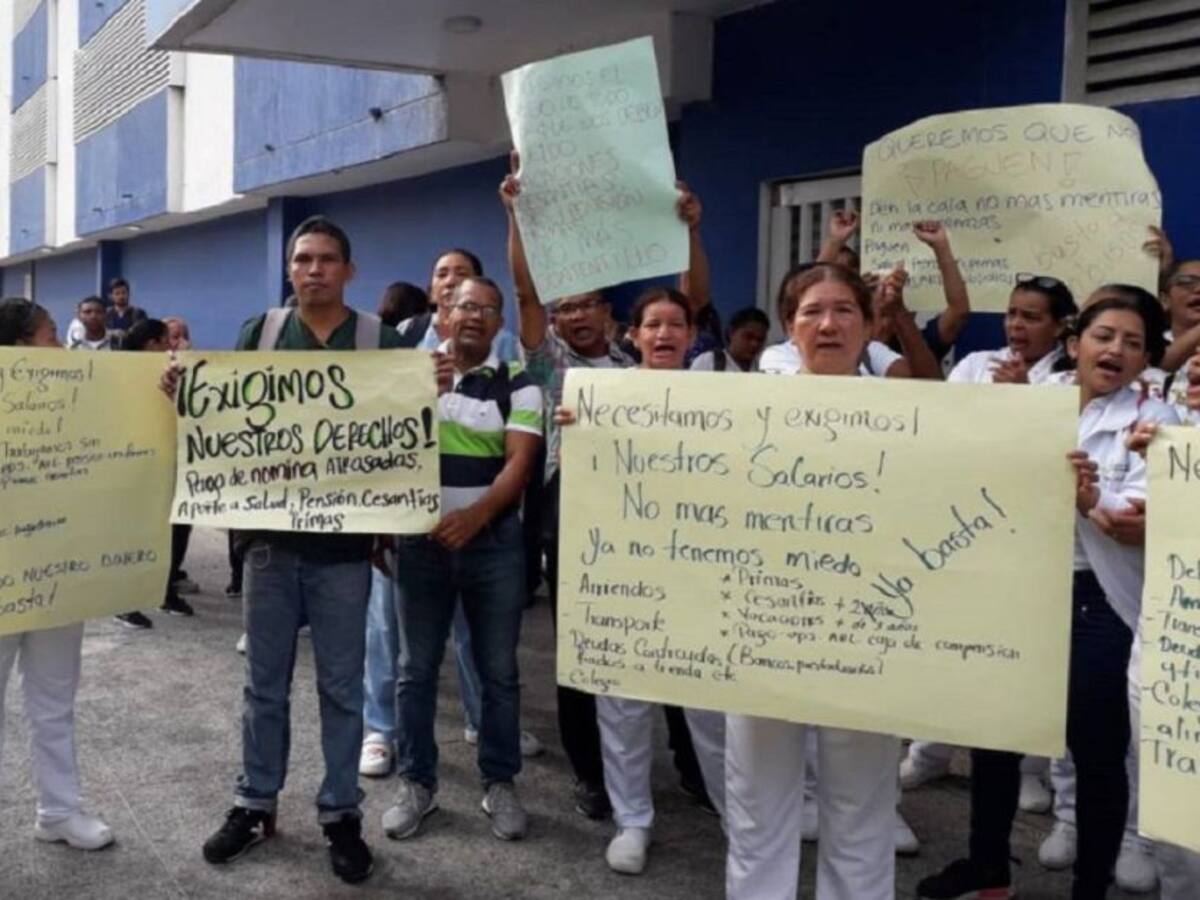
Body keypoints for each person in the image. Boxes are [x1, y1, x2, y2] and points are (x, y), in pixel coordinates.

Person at [166, 215, 405, 885]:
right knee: (263, 685)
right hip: (270, 546)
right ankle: (254, 802)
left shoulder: (378, 340)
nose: (313, 269)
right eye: (303, 259)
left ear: (349, 270)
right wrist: (187, 395)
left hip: (345, 551)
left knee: (342, 690)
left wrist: (429, 390)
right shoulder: (262, 333)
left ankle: (341, 814)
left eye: (327, 259)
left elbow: (402, 434)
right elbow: (228, 417)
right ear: (289, 268)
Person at [918, 286, 1175, 900]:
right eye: (1104, 336)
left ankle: (1090, 887)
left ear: (1146, 360)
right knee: (996, 735)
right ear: (1074, 343)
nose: (1116, 350)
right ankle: (988, 867)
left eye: (1133, 343)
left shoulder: (1156, 422)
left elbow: (1141, 518)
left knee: (1096, 749)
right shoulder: (1034, 399)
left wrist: (1093, 500)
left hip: (1097, 601)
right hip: (1018, 588)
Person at [501, 158, 718, 822]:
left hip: (657, 520)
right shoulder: (550, 363)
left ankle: (693, 767)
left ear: (609, 312)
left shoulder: (638, 359)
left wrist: (690, 229)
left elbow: (694, 302)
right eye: (564, 307)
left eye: (586, 303)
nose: (574, 314)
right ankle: (592, 774)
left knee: (675, 640)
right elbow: (525, 293)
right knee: (585, 650)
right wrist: (517, 215)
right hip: (576, 521)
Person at [723, 265, 901, 900]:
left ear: (871, 325)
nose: (828, 325)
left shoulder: (913, 417)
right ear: (789, 327)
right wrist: (597, 431)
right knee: (757, 808)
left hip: (869, 639)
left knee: (861, 811)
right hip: (762, 630)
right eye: (811, 312)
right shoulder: (741, 413)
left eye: (844, 310)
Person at [554, 289, 729, 875]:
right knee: (622, 705)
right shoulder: (604, 395)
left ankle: (737, 814)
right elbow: (576, 475)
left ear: (691, 335)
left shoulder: (723, 401)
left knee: (709, 706)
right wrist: (574, 433)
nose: (664, 334)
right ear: (633, 334)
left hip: (699, 571)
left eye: (676, 324)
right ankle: (634, 820)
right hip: (621, 571)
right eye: (652, 324)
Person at [383, 276, 542, 843]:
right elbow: (382, 446)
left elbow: (519, 465)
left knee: (498, 672)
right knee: (415, 670)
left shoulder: (519, 383)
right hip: (420, 545)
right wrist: (417, 395)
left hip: (494, 547)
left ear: (499, 323)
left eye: (488, 309)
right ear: (443, 313)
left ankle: (499, 782)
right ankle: (416, 783)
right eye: (465, 305)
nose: (475, 315)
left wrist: (475, 518)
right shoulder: (409, 374)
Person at [0, 297, 115, 851]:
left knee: (54, 700)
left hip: (55, 571)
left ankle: (59, 811)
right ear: (21, 346)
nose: (62, 346)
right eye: (50, 335)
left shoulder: (78, 396)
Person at [125, 320, 196, 620]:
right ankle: (126, 600)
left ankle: (166, 589)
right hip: (138, 467)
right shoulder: (124, 375)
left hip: (175, 465)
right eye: (170, 338)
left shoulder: (182, 372)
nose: (176, 344)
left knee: (177, 528)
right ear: (151, 344)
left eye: (181, 337)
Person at [396, 250, 519, 362]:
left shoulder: (504, 343)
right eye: (442, 275)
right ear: (432, 292)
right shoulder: (408, 329)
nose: (450, 281)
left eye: (461, 274)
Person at [689, 307, 769, 372]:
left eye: (760, 339)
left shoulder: (764, 370)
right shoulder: (709, 361)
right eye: (748, 337)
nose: (754, 344)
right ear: (731, 333)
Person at [103, 278, 147, 347]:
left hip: (132, 350)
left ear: (128, 294)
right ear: (110, 296)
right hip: (109, 350)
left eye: (124, 293)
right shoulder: (105, 314)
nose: (121, 296)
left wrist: (127, 334)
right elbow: (98, 332)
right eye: (117, 293)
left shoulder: (139, 313)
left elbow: (144, 333)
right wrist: (111, 333)